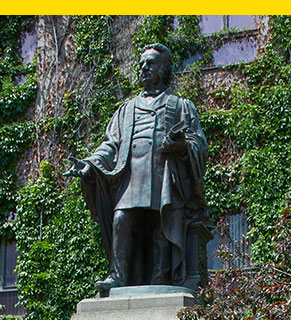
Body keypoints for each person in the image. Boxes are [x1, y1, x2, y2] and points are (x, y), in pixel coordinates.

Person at [63, 43, 213, 294]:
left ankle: (160, 278)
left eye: (150, 63)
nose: (144, 67)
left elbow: (198, 142)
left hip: (165, 176)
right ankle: (117, 276)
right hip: (131, 176)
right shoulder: (127, 109)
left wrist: (181, 145)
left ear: (164, 69)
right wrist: (90, 165)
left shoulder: (180, 106)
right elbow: (110, 145)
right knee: (121, 219)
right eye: (141, 64)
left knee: (161, 224)